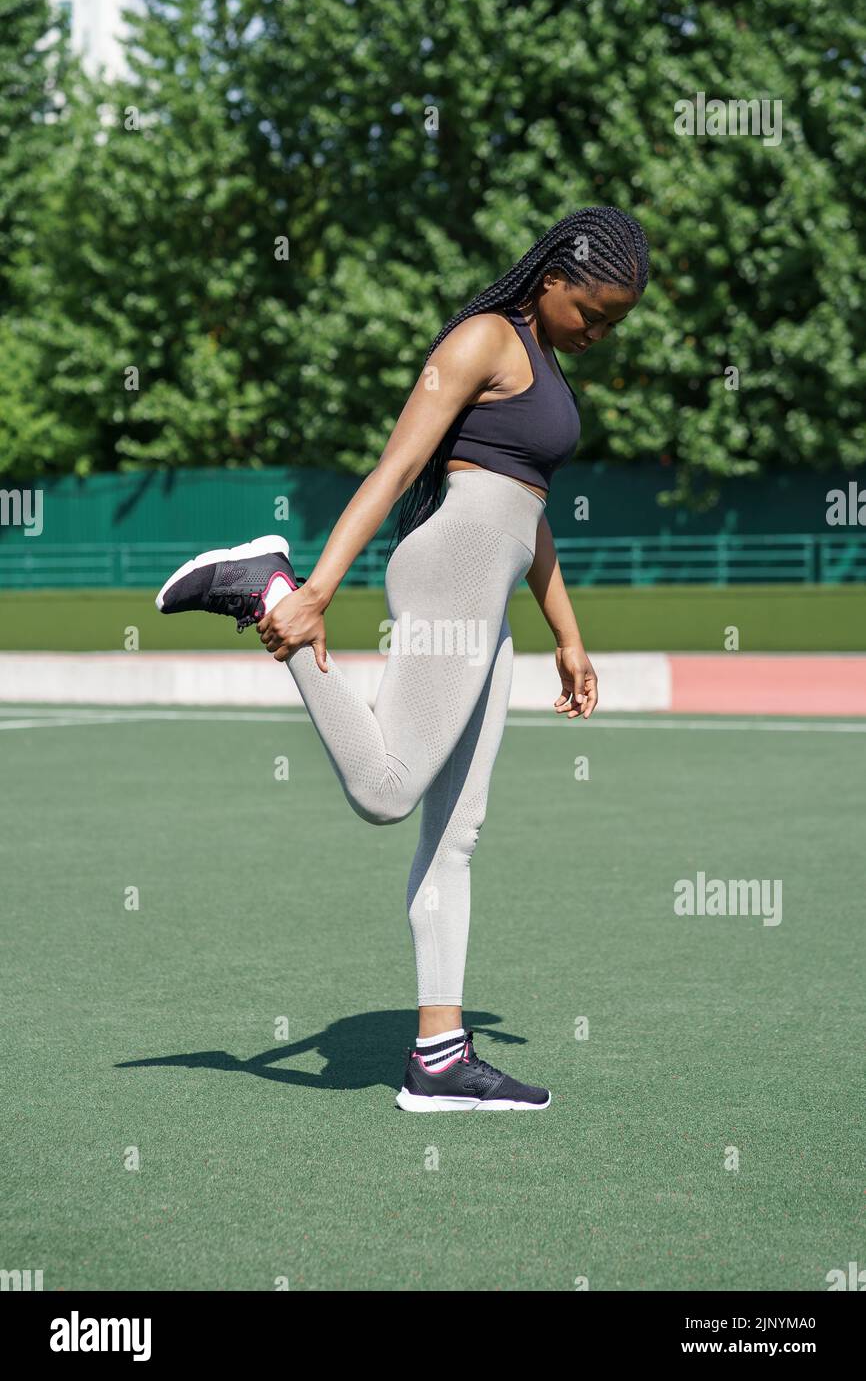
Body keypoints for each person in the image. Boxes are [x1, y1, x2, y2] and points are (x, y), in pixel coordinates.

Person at [156, 204, 650, 1111]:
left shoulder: (540, 365)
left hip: (489, 598)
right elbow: (392, 470)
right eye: (595, 313)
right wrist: (315, 594)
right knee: (387, 792)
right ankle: (265, 586)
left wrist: (568, 636)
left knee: (456, 833)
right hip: (452, 575)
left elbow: (529, 513)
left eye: (615, 322)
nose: (601, 334)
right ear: (551, 281)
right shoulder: (483, 341)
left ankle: (440, 1059)